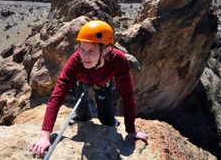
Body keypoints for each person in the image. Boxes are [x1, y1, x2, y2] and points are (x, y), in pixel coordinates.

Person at [29, 20, 148, 157]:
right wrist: (44, 136)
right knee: (83, 116)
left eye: (91, 50)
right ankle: (83, 116)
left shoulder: (118, 60)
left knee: (107, 120)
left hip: (103, 84)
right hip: (80, 82)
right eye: (82, 49)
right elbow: (57, 96)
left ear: (107, 49)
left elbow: (127, 95)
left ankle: (111, 121)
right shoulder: (75, 61)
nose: (85, 56)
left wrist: (131, 130)